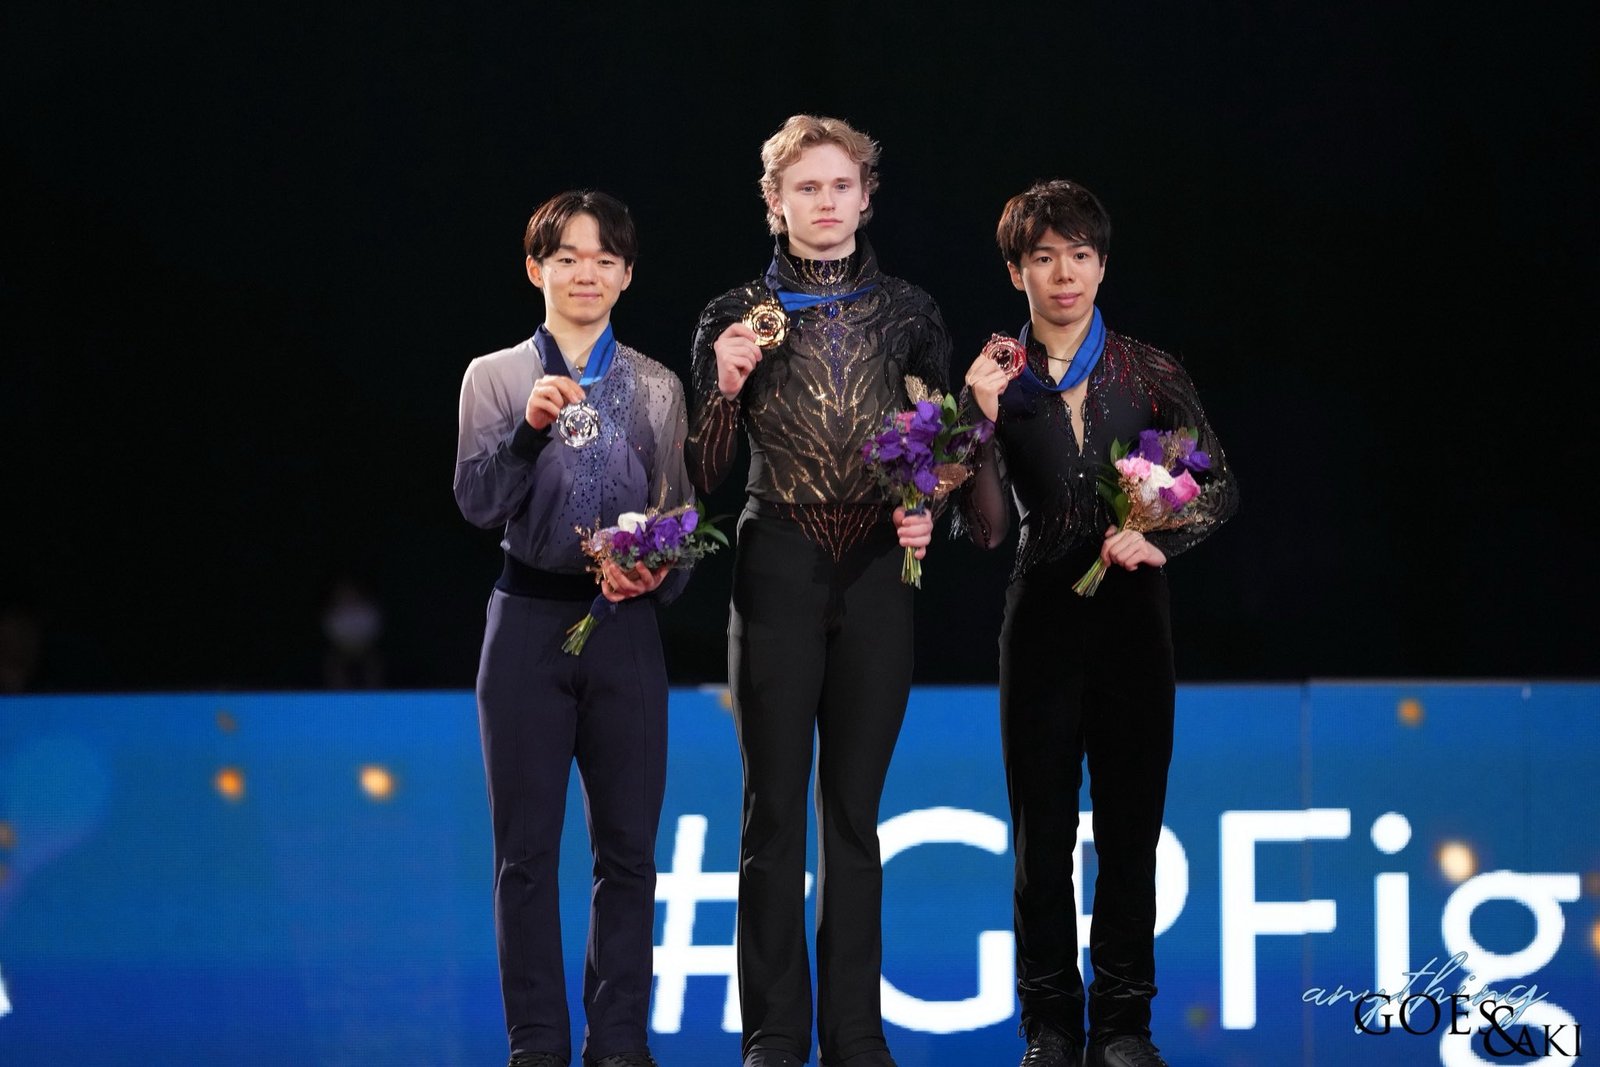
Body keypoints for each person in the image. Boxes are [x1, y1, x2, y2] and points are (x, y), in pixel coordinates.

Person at [686, 114, 952, 1067]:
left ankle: (855, 1035)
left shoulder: (913, 312)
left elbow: (941, 451)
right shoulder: (732, 315)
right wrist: (722, 385)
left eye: (841, 186)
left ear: (867, 196)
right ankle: (772, 1036)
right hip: (778, 562)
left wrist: (932, 513)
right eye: (807, 188)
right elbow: (704, 469)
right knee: (771, 806)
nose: (826, 203)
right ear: (775, 204)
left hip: (880, 569)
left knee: (852, 814)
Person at [956, 180, 1239, 1067]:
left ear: (1102, 263)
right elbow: (989, 527)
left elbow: (1220, 483)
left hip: (1132, 623)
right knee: (1043, 838)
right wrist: (977, 417)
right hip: (1039, 617)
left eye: (1079, 254)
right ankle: (1049, 1026)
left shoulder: (1149, 370)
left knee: (1129, 829)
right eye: (1043, 257)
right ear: (1017, 272)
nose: (1064, 273)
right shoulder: (1001, 378)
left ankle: (1124, 1025)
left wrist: (1168, 534)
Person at [454, 189, 692, 1067]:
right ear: (535, 270)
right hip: (524, 626)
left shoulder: (660, 386)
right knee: (525, 855)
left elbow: (682, 516)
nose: (583, 273)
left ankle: (620, 1043)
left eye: (602, 259)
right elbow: (477, 504)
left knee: (627, 851)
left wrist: (661, 567)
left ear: (627, 275)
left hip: (623, 630)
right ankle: (538, 1045)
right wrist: (527, 433)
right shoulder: (496, 376)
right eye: (565, 257)